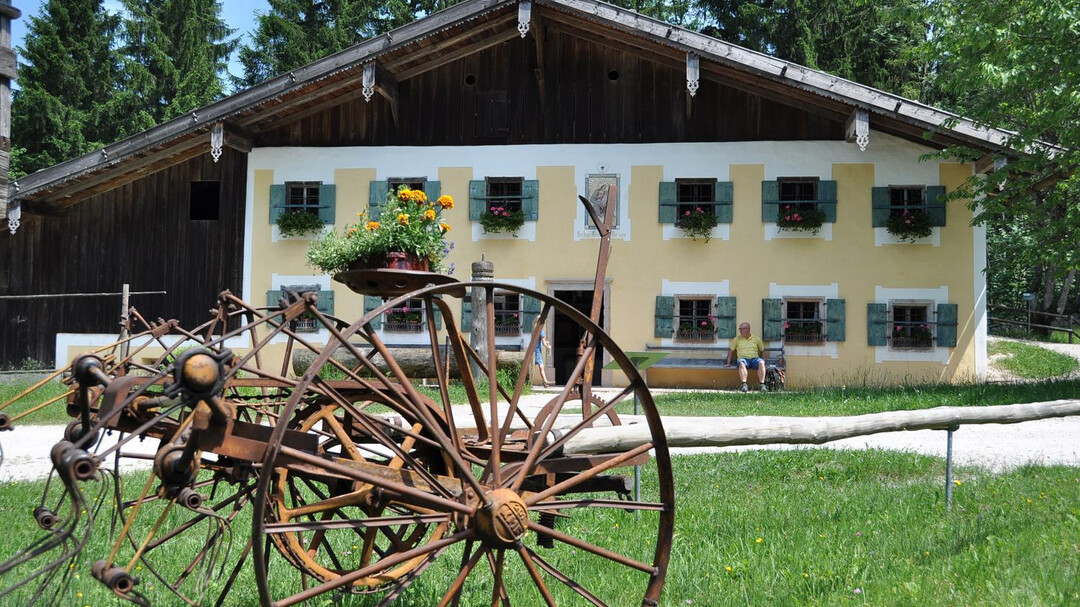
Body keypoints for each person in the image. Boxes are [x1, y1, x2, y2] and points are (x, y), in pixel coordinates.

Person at [727, 321, 767, 392]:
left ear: (747, 329)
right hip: (743, 359)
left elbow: (762, 351)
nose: (740, 331)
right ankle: (744, 385)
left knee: (761, 362)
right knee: (741, 363)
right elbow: (731, 351)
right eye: (740, 329)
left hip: (755, 359)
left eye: (741, 329)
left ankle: (762, 385)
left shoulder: (756, 339)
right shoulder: (737, 339)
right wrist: (728, 363)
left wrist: (764, 362)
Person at [533, 321, 553, 387]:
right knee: (541, 366)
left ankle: (545, 381)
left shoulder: (535, 329)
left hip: (534, 349)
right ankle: (545, 381)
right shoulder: (541, 331)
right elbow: (544, 344)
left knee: (538, 366)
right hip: (537, 350)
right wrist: (549, 347)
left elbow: (539, 341)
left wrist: (546, 342)